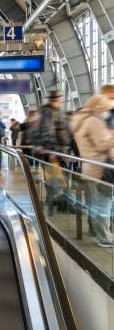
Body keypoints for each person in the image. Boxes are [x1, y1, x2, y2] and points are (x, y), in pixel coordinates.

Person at [71, 95, 114, 247]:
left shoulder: (81, 120)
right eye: (105, 108)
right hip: (100, 169)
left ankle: (100, 233)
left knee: (97, 204)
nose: (106, 112)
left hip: (90, 168)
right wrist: (111, 136)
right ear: (98, 107)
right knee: (102, 205)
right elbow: (102, 145)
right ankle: (104, 238)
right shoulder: (93, 121)